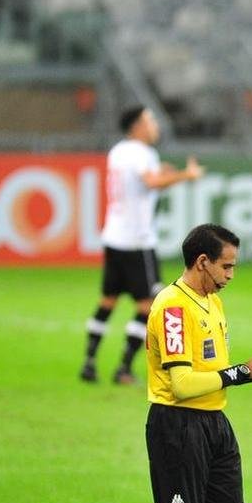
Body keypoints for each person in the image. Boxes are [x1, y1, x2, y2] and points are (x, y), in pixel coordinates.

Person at [145, 223, 252, 503]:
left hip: (214, 422)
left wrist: (251, 376)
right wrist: (242, 371)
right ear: (203, 261)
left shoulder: (213, 302)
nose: (232, 274)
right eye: (227, 266)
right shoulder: (173, 308)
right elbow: (183, 385)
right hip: (178, 425)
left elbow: (213, 370)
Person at [80, 105, 203, 385]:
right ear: (137, 126)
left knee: (108, 300)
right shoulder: (142, 153)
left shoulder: (118, 151)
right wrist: (186, 175)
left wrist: (164, 174)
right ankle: (123, 368)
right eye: (150, 120)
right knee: (147, 305)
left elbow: (143, 184)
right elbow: (151, 182)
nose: (155, 125)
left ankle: (89, 362)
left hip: (114, 237)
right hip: (138, 241)